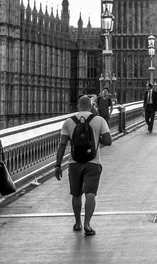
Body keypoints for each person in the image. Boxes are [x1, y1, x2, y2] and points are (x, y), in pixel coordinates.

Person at [54, 95, 112, 236]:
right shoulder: (99, 120)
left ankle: (78, 223)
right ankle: (87, 224)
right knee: (90, 194)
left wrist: (57, 165)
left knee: (76, 194)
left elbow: (62, 145)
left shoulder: (69, 121)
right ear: (91, 106)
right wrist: (96, 139)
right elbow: (108, 141)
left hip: (74, 163)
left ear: (78, 106)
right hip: (93, 162)